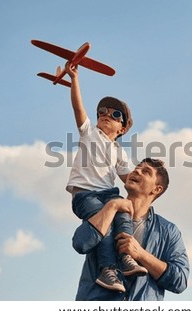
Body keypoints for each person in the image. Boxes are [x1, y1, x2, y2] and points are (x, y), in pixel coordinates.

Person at [65, 62, 147, 293]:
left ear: (122, 129)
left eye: (114, 114)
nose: (105, 116)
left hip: (108, 193)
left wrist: (149, 186)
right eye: (102, 112)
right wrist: (74, 79)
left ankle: (126, 258)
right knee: (106, 226)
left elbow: (130, 181)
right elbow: (78, 107)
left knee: (124, 212)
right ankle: (107, 270)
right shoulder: (89, 133)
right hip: (85, 194)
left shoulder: (120, 152)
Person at [72, 158, 190, 301]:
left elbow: (180, 280)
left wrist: (140, 254)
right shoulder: (104, 210)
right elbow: (81, 243)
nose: (136, 171)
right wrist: (112, 206)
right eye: (137, 168)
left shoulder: (168, 231)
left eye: (146, 172)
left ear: (156, 189)